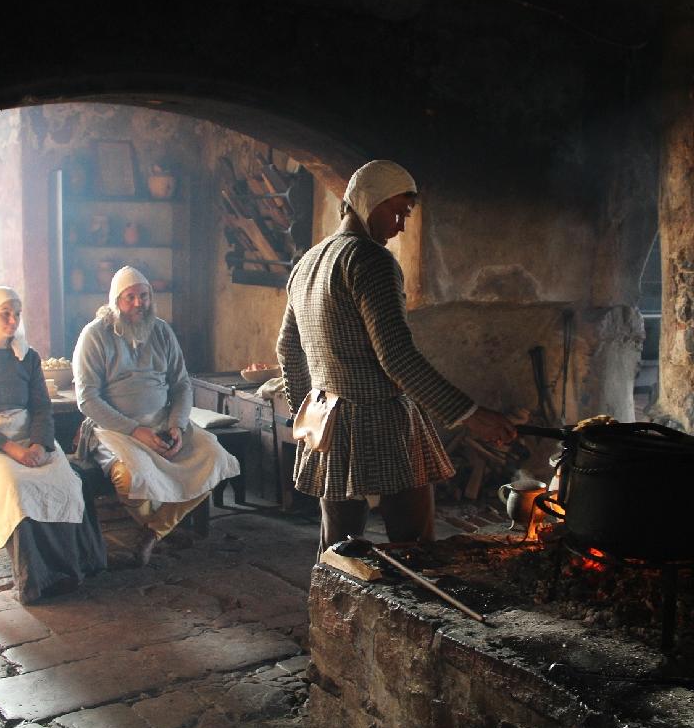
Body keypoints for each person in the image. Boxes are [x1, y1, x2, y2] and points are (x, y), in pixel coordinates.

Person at [276, 159, 518, 554]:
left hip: (330, 423)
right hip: (384, 422)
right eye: (397, 211)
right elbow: (397, 356)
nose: (401, 225)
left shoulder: (308, 262)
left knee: (337, 551)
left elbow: (288, 349)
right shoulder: (371, 260)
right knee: (414, 546)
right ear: (369, 201)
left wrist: (308, 419)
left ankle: (333, 595)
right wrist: (471, 415)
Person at [0, 286, 106, 603]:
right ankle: (35, 578)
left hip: (27, 431)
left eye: (16, 314)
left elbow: (41, 408)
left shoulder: (27, 357)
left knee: (66, 481)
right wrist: (13, 450)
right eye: (4, 314)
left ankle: (71, 568)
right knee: (15, 485)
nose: (12, 320)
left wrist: (39, 445)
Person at [73, 265, 239, 566]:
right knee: (129, 479)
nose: (139, 303)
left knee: (215, 457)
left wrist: (177, 425)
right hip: (117, 430)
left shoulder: (161, 330)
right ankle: (162, 528)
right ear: (116, 300)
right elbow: (88, 399)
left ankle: (152, 532)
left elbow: (181, 384)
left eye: (145, 296)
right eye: (130, 297)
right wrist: (136, 431)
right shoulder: (94, 335)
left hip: (164, 422)